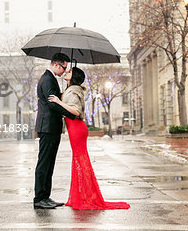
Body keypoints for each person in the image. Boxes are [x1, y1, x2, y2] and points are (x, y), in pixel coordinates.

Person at [48, 67, 130, 210]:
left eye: (70, 71)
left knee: (81, 162)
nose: (66, 72)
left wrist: (59, 102)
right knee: (78, 162)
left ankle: (87, 197)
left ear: (74, 77)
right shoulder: (71, 89)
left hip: (77, 129)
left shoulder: (74, 90)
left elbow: (76, 111)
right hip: (75, 128)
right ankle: (80, 196)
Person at [33, 53, 76, 209]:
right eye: (64, 67)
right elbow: (53, 103)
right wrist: (72, 114)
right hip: (48, 127)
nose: (65, 71)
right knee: (44, 163)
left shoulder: (50, 79)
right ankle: (39, 198)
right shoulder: (48, 79)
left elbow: (57, 98)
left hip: (51, 127)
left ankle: (45, 196)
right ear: (57, 64)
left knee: (49, 163)